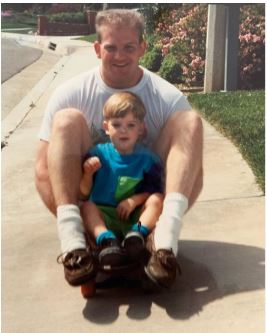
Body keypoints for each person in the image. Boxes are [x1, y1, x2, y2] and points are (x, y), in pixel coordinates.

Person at [35, 9, 203, 288]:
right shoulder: (71, 93)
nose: (120, 56)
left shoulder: (167, 97)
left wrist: (158, 223)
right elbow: (43, 171)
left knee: (189, 122)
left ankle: (163, 244)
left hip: (147, 203)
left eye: (129, 47)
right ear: (98, 49)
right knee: (66, 120)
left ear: (142, 47)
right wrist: (85, 228)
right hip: (93, 202)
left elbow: (192, 175)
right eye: (111, 48)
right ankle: (76, 245)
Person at [79, 91, 163, 268]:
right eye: (116, 124)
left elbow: (154, 189)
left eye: (131, 125)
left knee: (157, 200)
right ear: (106, 127)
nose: (123, 130)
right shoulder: (98, 155)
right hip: (105, 215)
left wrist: (134, 200)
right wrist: (87, 173)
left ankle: (137, 237)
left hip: (134, 216)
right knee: (86, 207)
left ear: (141, 128)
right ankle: (106, 240)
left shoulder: (148, 160)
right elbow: (83, 193)